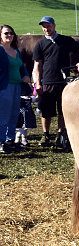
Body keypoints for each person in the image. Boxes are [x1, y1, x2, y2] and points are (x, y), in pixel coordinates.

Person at [31, 16, 79, 147]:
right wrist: (37, 82)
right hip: (47, 81)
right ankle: (46, 135)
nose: (46, 29)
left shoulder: (65, 40)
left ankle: (60, 134)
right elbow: (37, 66)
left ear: (54, 26)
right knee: (46, 111)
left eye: (48, 25)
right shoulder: (40, 44)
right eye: (44, 26)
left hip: (63, 81)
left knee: (63, 110)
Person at [1, 25, 31, 153]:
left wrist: (26, 75)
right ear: (0, 35)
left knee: (14, 115)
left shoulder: (16, 50)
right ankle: (1, 142)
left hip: (17, 86)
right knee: (3, 115)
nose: (9, 36)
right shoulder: (0, 50)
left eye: (11, 33)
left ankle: (10, 140)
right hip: (4, 87)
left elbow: (21, 66)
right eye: (6, 33)